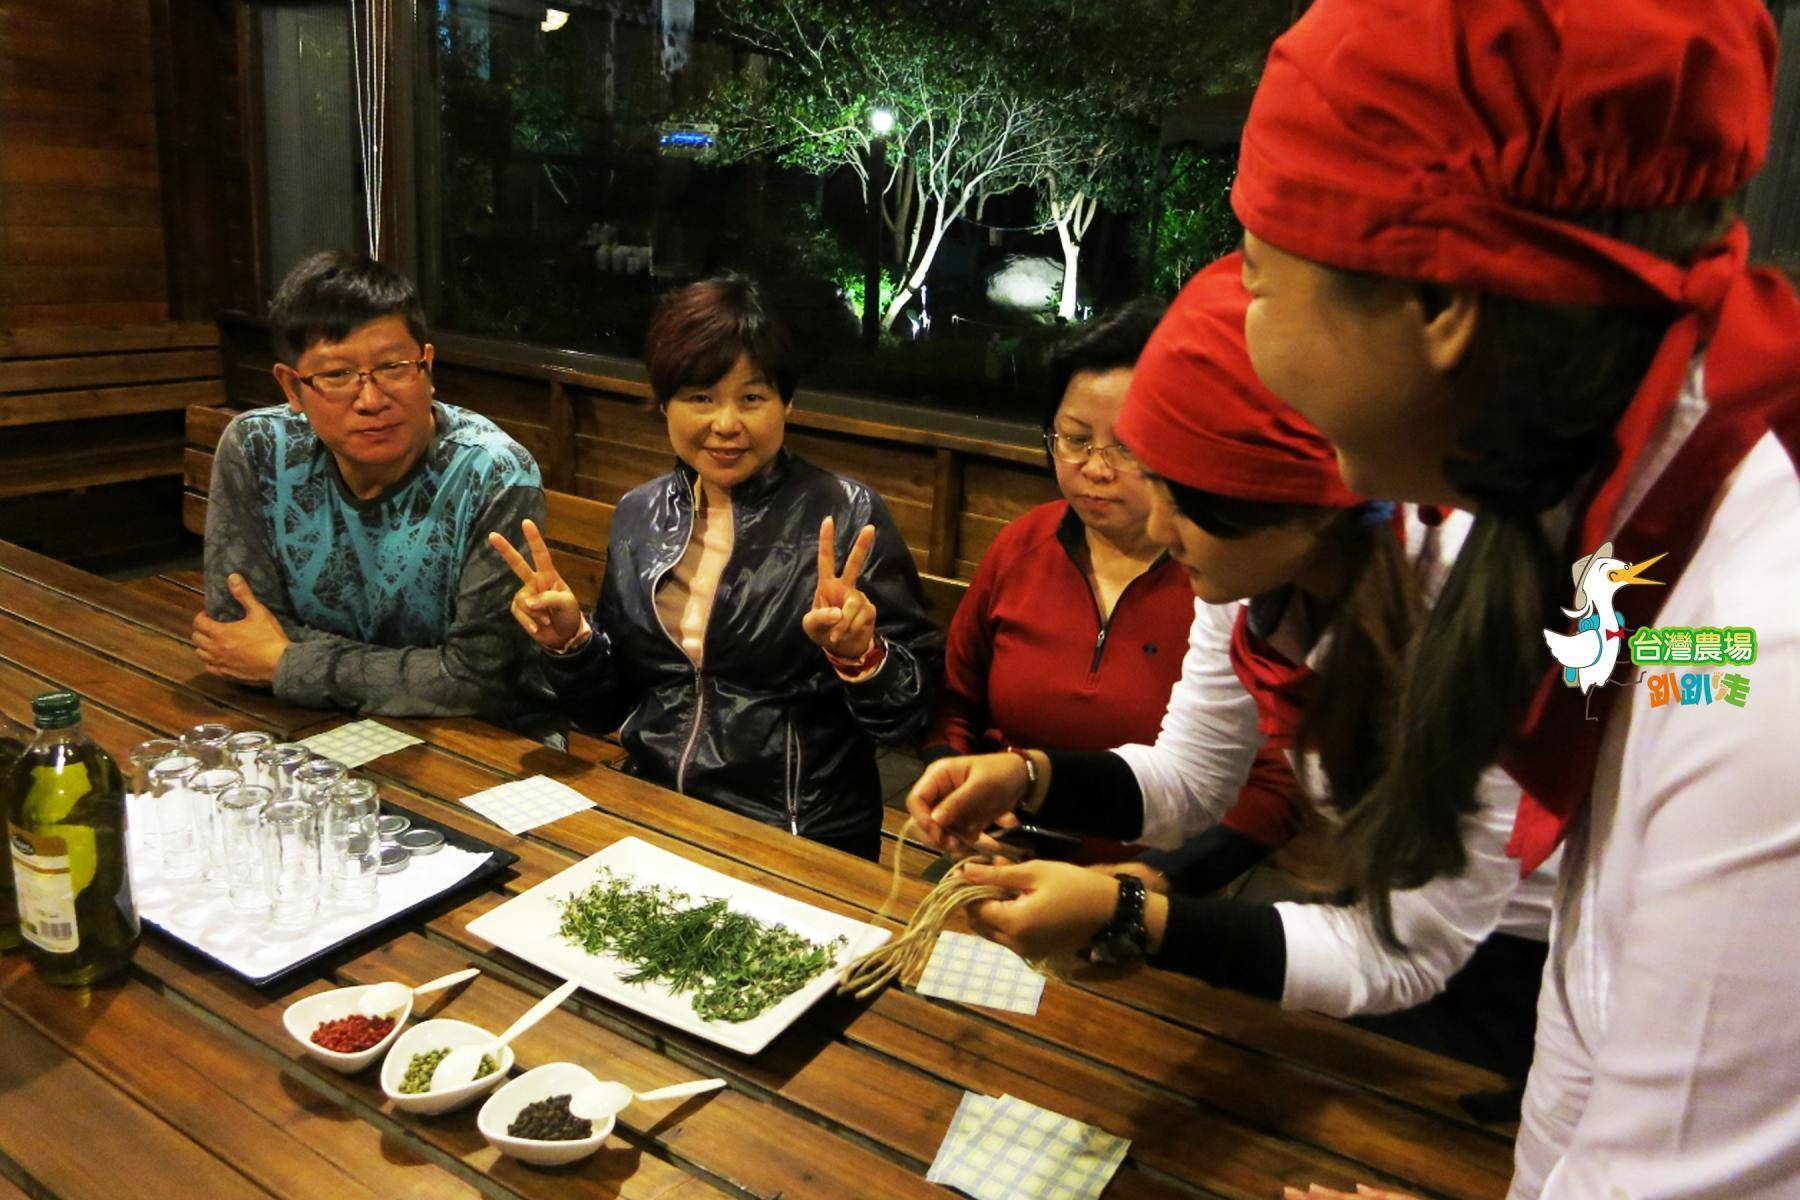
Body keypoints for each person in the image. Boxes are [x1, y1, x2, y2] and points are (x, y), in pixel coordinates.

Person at [1238, 1, 1798, 1194]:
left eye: (1257, 277)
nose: (1247, 337)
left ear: (1441, 303)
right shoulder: (1633, 544)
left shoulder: (1763, 665)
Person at [906, 255, 1558, 1088]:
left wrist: (1132, 915)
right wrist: (1024, 775)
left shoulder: (1470, 617)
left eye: (1177, 490)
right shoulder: (1249, 583)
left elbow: (1397, 955)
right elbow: (1187, 781)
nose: (1157, 522)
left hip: (1533, 959)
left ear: (1287, 498)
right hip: (1394, 929)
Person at [491, 274, 943, 860]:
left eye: (751, 398)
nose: (725, 424)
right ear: (664, 403)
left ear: (787, 404)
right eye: (701, 397)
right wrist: (571, 643)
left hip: (796, 833)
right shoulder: (641, 514)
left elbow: (910, 714)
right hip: (655, 806)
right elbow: (608, 707)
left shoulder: (847, 515)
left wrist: (862, 656)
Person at [921, 302, 1299, 870]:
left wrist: (1149, 886)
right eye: (1074, 439)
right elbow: (957, 698)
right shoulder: (1022, 546)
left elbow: (1270, 784)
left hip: (1151, 882)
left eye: (1128, 445)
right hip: (996, 860)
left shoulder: (1231, 578)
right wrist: (961, 799)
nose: (1095, 468)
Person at [196, 251, 555, 733]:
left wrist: (288, 663)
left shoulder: (492, 474)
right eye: (337, 375)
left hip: (473, 737)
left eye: (393, 367)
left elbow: (477, 678)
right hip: (306, 722)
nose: (370, 400)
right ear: (293, 387)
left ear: (427, 367)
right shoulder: (257, 448)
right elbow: (237, 632)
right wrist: (415, 671)